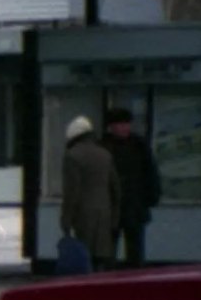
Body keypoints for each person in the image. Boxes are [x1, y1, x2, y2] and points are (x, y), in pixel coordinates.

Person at [104, 107, 162, 267]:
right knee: (108, 252)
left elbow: (150, 172)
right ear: (111, 127)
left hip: (134, 205)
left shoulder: (139, 145)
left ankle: (133, 278)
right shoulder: (104, 146)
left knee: (135, 251)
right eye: (120, 124)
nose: (124, 128)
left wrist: (151, 196)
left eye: (126, 124)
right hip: (111, 207)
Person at [62, 114, 120, 271]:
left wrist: (66, 220)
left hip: (83, 214)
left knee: (82, 255)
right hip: (104, 213)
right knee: (100, 256)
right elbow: (115, 188)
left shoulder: (73, 156)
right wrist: (114, 216)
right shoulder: (105, 154)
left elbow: (72, 192)